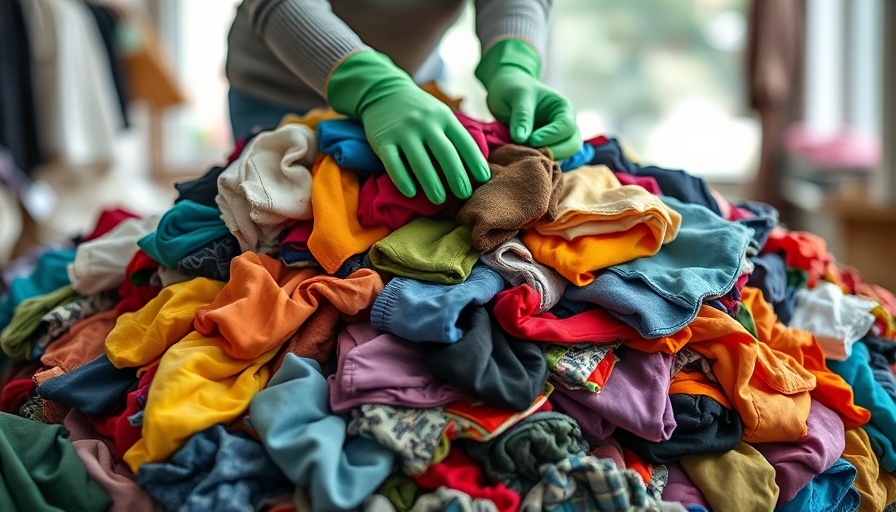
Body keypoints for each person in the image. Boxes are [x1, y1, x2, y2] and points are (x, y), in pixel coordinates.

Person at [225, 0, 581, 204]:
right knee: (274, 208)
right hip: (276, 92)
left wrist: (513, 61)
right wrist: (373, 86)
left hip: (410, 86)